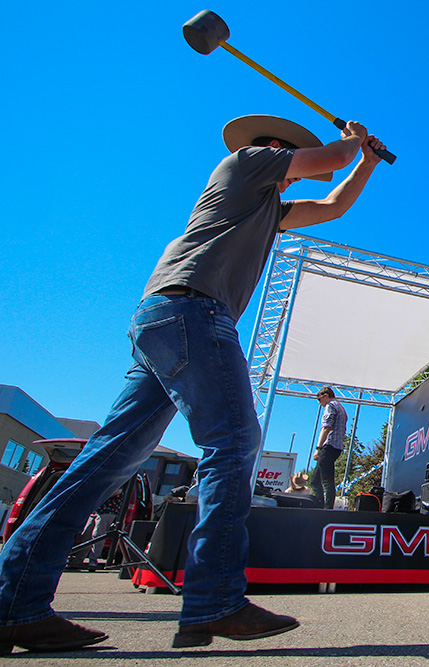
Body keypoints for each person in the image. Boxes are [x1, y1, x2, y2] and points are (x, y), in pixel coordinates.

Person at [0, 114, 385, 654]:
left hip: (167, 321)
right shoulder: (245, 164)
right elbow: (327, 162)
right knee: (234, 441)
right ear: (274, 150)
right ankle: (215, 600)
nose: (295, 172)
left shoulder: (265, 207)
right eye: (290, 160)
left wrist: (365, 160)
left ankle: (13, 604)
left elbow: (335, 204)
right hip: (192, 313)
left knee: (105, 464)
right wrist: (352, 141)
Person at [309, 387, 348, 509]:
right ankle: (320, 505)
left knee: (327, 481)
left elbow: (326, 427)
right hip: (337, 447)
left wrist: (318, 448)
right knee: (315, 480)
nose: (320, 403)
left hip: (329, 446)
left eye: (320, 400)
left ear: (325, 395)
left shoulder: (330, 406)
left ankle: (326, 508)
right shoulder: (341, 407)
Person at [70, 487, 123, 569]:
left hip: (108, 510)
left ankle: (93, 561)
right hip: (95, 510)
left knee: (97, 535)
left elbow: (117, 491)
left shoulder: (117, 480)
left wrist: (99, 493)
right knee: (85, 534)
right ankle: (78, 560)